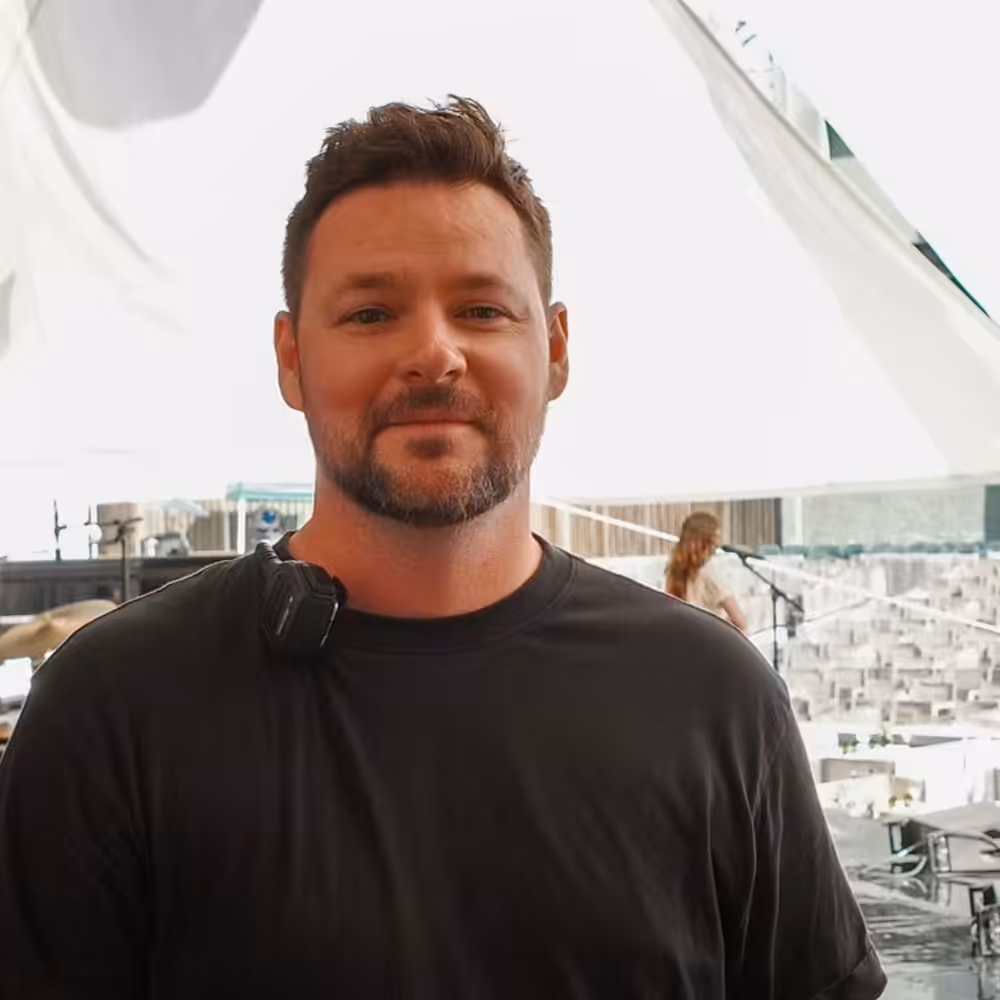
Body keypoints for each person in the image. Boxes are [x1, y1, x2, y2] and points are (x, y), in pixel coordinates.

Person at [0, 97, 886, 999]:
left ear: (556, 349)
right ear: (291, 359)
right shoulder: (115, 710)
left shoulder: (715, 700)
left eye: (481, 309)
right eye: (370, 314)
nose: (432, 352)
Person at [666, 511, 749, 632]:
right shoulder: (711, 574)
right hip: (711, 640)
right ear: (708, 542)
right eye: (716, 538)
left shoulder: (674, 571)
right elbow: (741, 624)